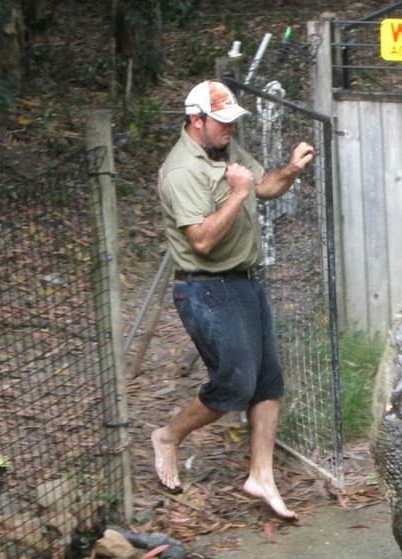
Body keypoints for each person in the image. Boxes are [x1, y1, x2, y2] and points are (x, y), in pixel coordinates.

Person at [151, 80, 314, 521]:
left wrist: (291, 169)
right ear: (195, 120)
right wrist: (238, 192)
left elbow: (263, 186)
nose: (229, 128)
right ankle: (167, 437)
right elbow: (201, 241)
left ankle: (261, 476)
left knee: (268, 382)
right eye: (221, 122)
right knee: (233, 387)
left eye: (232, 121)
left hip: (244, 282)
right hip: (205, 288)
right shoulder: (181, 171)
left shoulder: (227, 151)